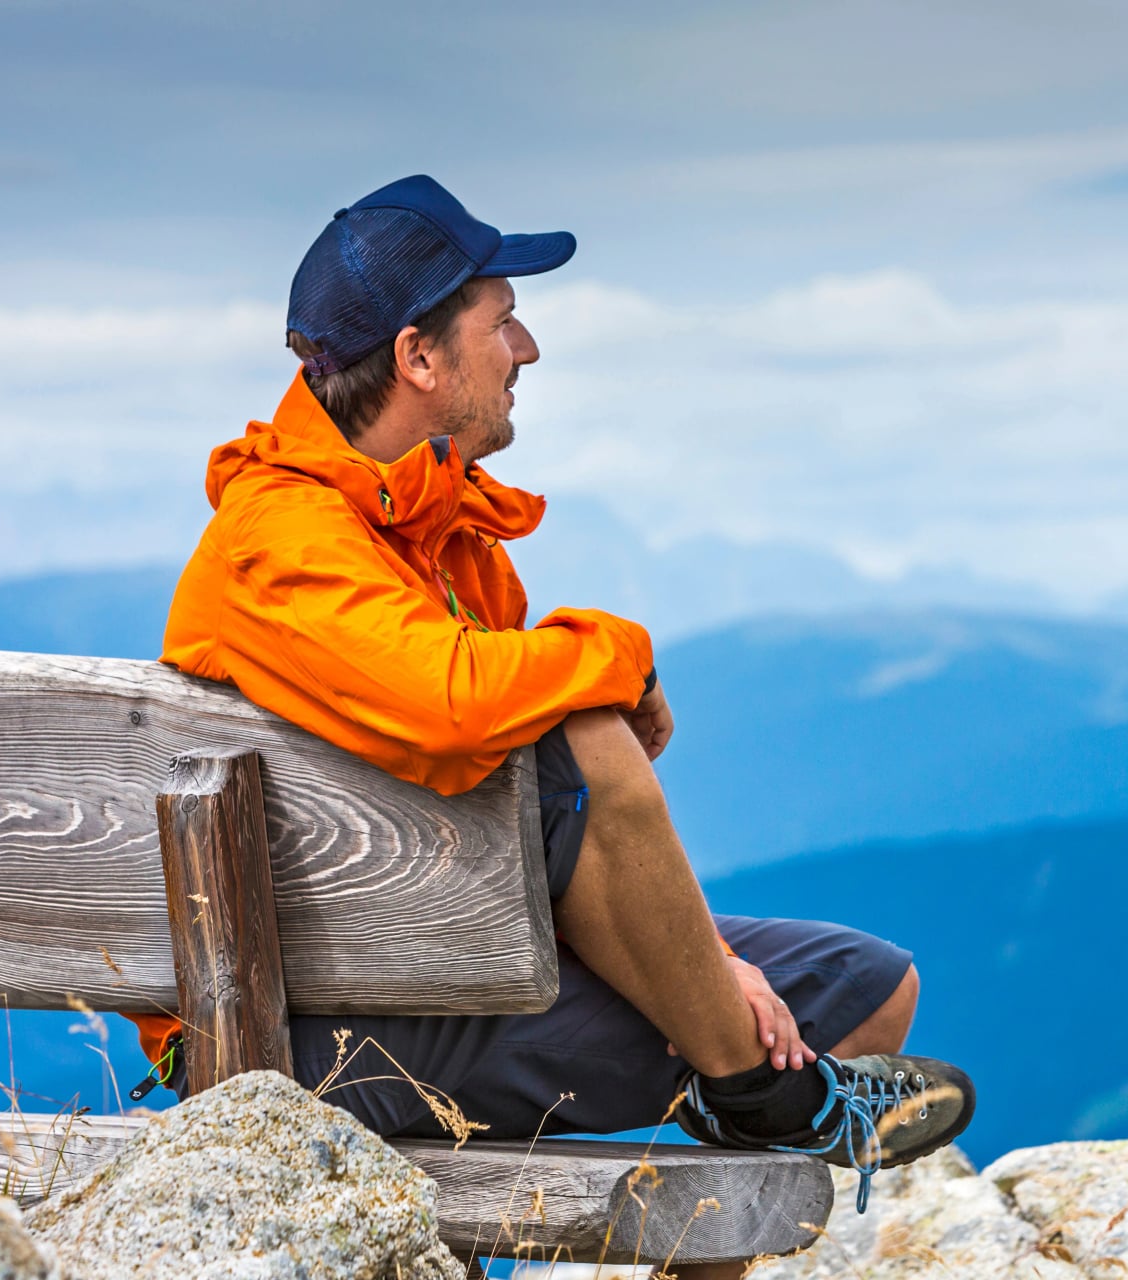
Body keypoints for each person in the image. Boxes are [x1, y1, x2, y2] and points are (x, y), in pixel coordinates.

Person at [132, 176, 973, 1247]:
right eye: (501, 320)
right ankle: (754, 1086)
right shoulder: (281, 540)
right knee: (590, 737)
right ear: (418, 357)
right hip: (312, 1035)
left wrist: (711, 968)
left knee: (867, 990)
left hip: (458, 956)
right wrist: (621, 653)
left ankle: (747, 1077)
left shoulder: (442, 540)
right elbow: (452, 706)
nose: (526, 347)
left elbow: (530, 823)